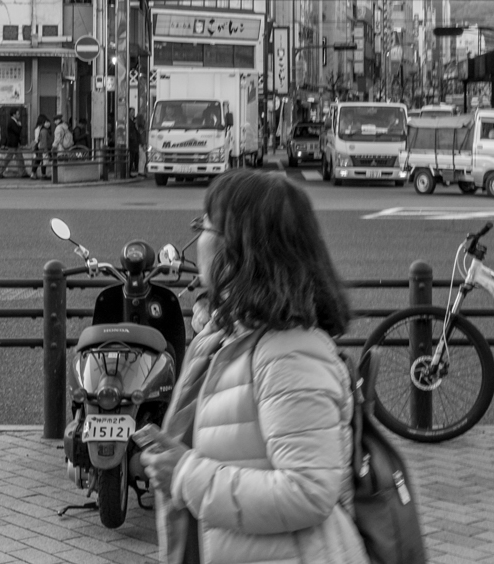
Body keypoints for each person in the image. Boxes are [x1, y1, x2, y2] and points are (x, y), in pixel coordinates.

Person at [139, 170, 366, 564]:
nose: (196, 241)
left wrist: (185, 474)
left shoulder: (288, 351)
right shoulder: (234, 337)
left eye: (203, 226)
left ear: (238, 247)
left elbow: (309, 490)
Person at [31, 115, 53, 179]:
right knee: (40, 160)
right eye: (46, 121)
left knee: (40, 160)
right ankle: (38, 174)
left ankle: (39, 174)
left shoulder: (42, 129)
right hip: (40, 147)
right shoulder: (41, 129)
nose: (48, 123)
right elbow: (40, 139)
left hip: (40, 146)